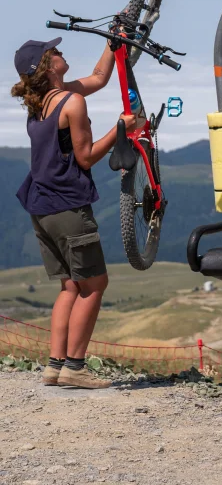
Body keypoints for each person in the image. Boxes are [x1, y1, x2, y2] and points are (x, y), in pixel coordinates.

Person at [10, 37, 135, 389]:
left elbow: (99, 77)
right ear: (49, 66)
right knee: (94, 285)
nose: (63, 53)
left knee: (69, 286)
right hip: (67, 206)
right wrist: (123, 128)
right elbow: (86, 157)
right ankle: (75, 367)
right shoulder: (72, 102)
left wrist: (115, 43)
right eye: (56, 52)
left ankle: (54, 365)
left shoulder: (45, 100)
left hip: (41, 206)